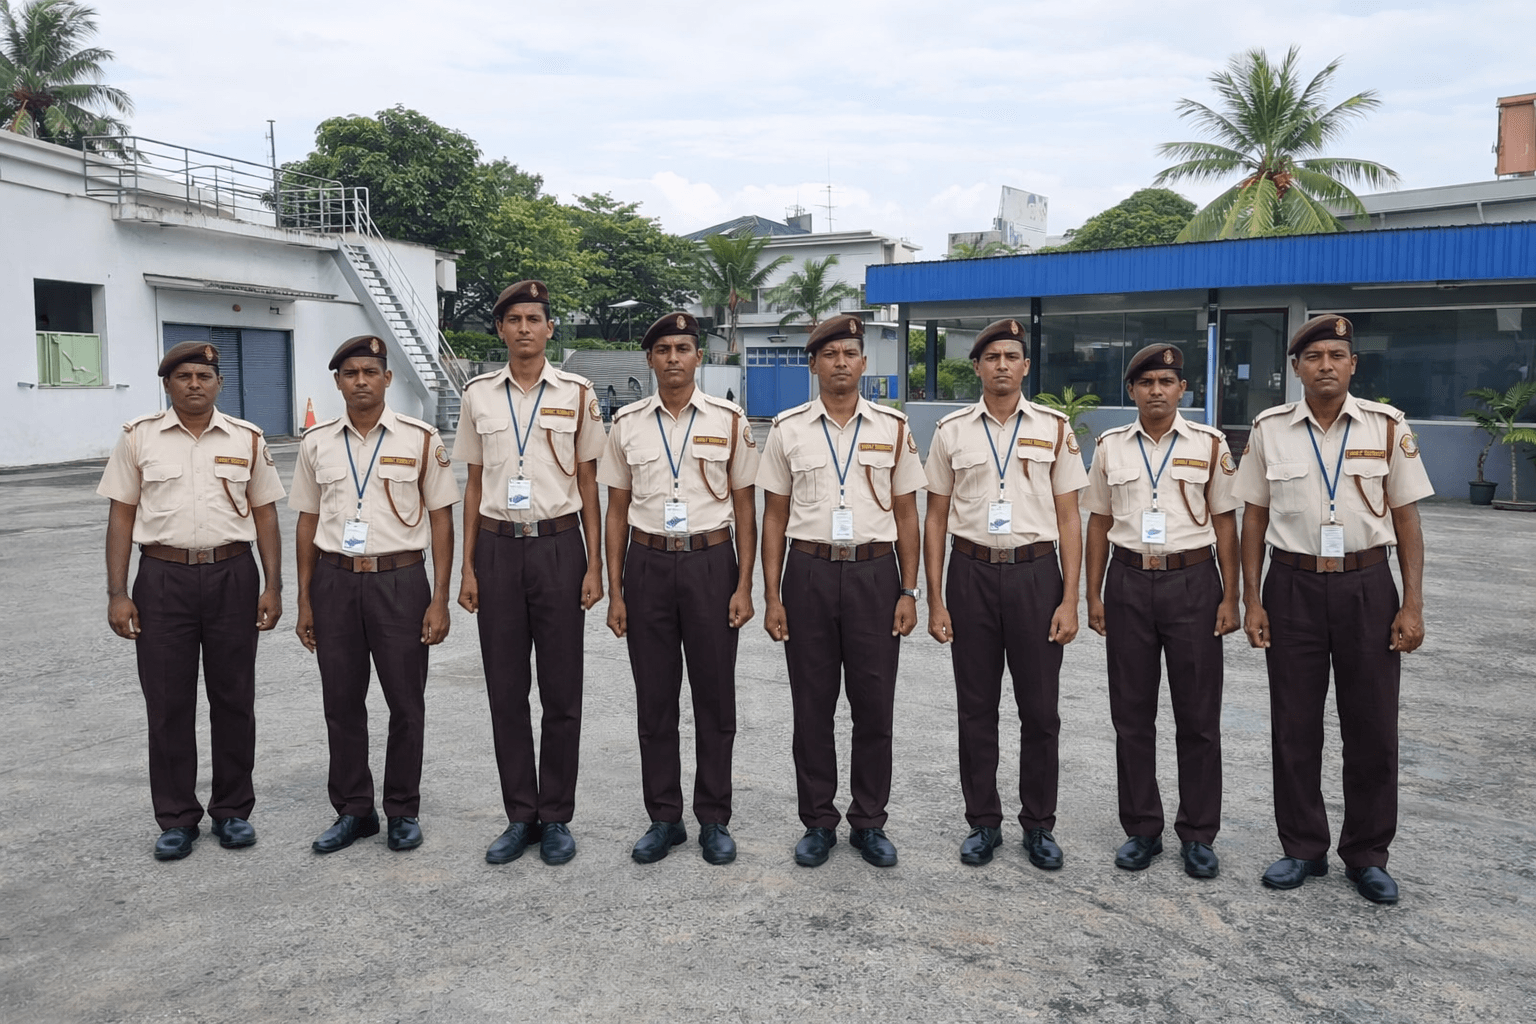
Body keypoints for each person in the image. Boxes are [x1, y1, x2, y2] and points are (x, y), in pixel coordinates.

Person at [1233, 314, 1432, 905]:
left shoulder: (1387, 426)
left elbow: (1407, 520)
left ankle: (1367, 854)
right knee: (1294, 725)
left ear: (1352, 366)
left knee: (1372, 727)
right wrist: (1252, 598)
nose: (1325, 364)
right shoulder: (1270, 429)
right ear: (1295, 368)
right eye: (1313, 356)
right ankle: (1302, 847)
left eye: (1336, 356)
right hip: (1291, 587)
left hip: (1368, 586)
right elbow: (1253, 519)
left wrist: (1412, 603)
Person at [98, 341, 284, 860]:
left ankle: (232, 812)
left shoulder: (246, 438)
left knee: (233, 700)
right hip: (161, 578)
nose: (195, 384)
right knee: (167, 702)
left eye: (204, 375)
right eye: (184, 376)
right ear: (168, 385)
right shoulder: (140, 438)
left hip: (232, 575)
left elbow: (265, 513)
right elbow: (120, 515)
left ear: (219, 383)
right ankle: (176, 817)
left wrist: (273, 585)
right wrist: (118, 591)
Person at [757, 315, 926, 868]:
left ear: (863, 362)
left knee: (874, 706)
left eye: (850, 353)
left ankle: (869, 821)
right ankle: (818, 821)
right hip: (807, 572)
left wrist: (909, 589)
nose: (841, 362)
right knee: (813, 706)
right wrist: (774, 595)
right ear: (813, 364)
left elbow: (907, 514)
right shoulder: (787, 429)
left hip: (876, 576)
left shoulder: (893, 428)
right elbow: (774, 517)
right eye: (829, 354)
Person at [922, 318, 1086, 869]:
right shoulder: (951, 431)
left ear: (1025, 366)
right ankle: (983, 822)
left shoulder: (1055, 428)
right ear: (977, 367)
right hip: (969, 574)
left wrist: (1070, 599)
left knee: (1040, 711)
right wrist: (937, 598)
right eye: (991, 357)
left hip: (1037, 576)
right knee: (977, 707)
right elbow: (936, 517)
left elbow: (1070, 518)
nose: (1001, 366)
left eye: (1011, 357)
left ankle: (1039, 825)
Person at [599, 311, 760, 865]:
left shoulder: (729, 420)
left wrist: (745, 585)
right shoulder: (626, 424)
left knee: (715, 699)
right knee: (655, 699)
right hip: (646, 564)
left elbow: (745, 507)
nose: (673, 357)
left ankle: (714, 818)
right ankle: (663, 818)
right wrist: (616, 589)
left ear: (699, 357)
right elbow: (615, 510)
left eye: (684, 348)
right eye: (663, 349)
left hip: (711, 563)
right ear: (650, 359)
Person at [454, 280, 606, 866]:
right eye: (513, 319)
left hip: (559, 546)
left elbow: (589, 481)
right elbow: (471, 485)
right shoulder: (478, 396)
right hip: (496, 547)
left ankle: (557, 815)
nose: (523, 328)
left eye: (534, 318)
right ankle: (520, 814)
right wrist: (466, 568)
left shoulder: (578, 393)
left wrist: (594, 564)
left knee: (563, 689)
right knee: (506, 690)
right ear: (501, 330)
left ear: (549, 329)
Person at [290, 335, 458, 854]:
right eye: (349, 373)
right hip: (335, 580)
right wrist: (304, 599)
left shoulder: (421, 438)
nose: (360, 380)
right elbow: (306, 521)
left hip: (401, 582)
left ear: (388, 379)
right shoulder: (316, 443)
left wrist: (439, 599)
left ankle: (402, 809)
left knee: (406, 702)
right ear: (338, 382)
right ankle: (353, 810)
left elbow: (442, 519)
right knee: (341, 702)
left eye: (370, 371)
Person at [1081, 343, 1240, 878]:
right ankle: (1142, 829)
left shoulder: (1210, 444)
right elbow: (1098, 522)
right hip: (1127, 581)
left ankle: (1198, 833)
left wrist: (1232, 594)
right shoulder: (1109, 447)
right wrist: (1094, 593)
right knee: (1132, 715)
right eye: (1146, 383)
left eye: (1166, 383)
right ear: (1132, 391)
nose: (1156, 391)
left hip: (1194, 583)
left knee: (1198, 717)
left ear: (1181, 391)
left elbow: (1225, 523)